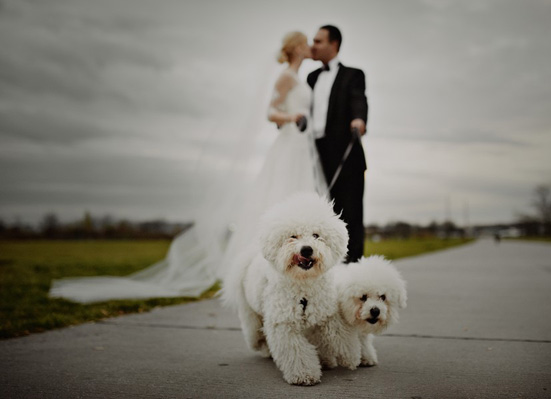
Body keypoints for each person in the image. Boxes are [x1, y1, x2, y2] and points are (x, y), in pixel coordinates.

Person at [49, 31, 327, 303]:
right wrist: (292, 116)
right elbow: (270, 111)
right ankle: (264, 264)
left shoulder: (302, 78)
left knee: (302, 199)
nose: (309, 47)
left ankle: (305, 264)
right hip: (289, 145)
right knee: (278, 198)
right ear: (295, 48)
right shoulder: (286, 77)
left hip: (303, 149)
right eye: (305, 43)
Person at [308, 25, 368, 263]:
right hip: (315, 154)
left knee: (350, 214)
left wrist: (359, 120)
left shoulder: (353, 75)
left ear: (334, 45)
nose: (313, 45)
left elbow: (359, 100)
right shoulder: (311, 77)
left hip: (346, 152)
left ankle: (354, 272)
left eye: (318, 41)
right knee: (321, 215)